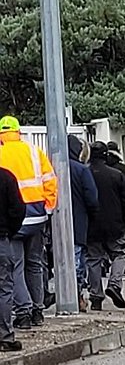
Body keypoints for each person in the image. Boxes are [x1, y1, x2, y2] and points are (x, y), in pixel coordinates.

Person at [0, 116, 56, 328]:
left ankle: (23, 312)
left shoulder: (1, 153)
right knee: (35, 264)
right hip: (37, 215)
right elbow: (50, 180)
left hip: (14, 218)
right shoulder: (34, 151)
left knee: (15, 266)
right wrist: (48, 208)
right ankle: (38, 310)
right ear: (18, 132)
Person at [85, 142, 125, 311]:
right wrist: (123, 217)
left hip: (91, 225)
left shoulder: (85, 174)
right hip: (114, 224)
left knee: (93, 260)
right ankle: (114, 284)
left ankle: (96, 296)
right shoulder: (116, 175)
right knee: (120, 254)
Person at [66, 136, 100, 311]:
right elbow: (92, 198)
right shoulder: (81, 170)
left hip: (56, 226)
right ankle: (76, 297)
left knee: (64, 263)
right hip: (79, 223)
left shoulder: (55, 167)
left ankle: (67, 295)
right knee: (77, 262)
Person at [0, 166, 24, 351]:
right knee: (3, 289)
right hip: (1, 240)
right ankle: (5, 337)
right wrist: (9, 232)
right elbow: (18, 209)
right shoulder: (6, 177)